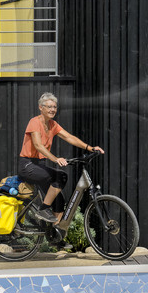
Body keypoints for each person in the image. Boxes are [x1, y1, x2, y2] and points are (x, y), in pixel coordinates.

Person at [19, 92, 103, 226]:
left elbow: (69, 137)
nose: (52, 110)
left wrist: (90, 148)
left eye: (54, 107)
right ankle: (43, 210)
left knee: (59, 202)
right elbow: (38, 145)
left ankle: (55, 234)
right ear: (41, 107)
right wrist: (55, 159)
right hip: (28, 165)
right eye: (49, 107)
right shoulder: (34, 122)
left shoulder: (53, 124)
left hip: (40, 165)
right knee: (61, 176)